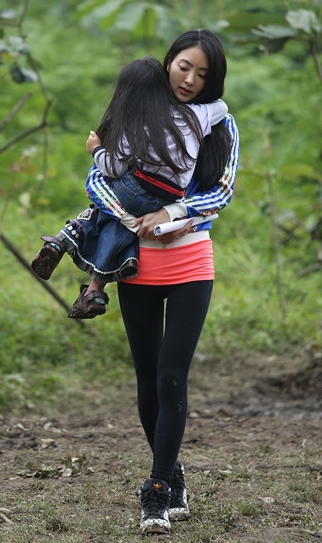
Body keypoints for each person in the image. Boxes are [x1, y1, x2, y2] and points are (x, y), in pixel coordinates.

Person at [85, 29, 239, 534]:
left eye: (203, 73)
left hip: (191, 260)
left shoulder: (220, 123)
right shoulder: (139, 108)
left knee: (173, 375)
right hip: (139, 264)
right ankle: (172, 475)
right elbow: (98, 180)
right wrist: (132, 221)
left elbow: (221, 193)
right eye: (184, 67)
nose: (191, 79)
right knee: (148, 379)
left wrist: (174, 211)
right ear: (168, 62)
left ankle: (153, 491)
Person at [31, 56, 228, 320]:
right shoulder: (194, 115)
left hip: (136, 189)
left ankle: (65, 241)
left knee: (104, 212)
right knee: (117, 224)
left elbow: (110, 169)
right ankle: (94, 289)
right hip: (168, 196)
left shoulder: (134, 126)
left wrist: (97, 150)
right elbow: (222, 108)